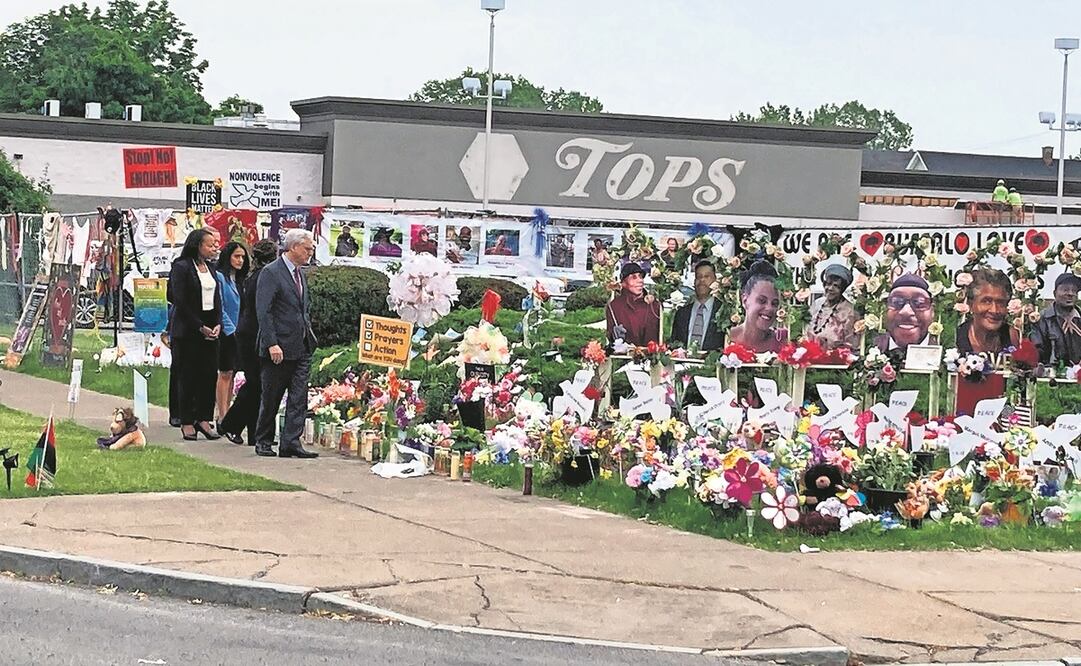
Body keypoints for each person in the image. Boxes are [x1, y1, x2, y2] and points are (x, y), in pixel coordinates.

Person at [254, 228, 319, 459]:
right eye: (307, 248)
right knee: (272, 395)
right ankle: (263, 439)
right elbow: (264, 311)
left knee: (299, 396)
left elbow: (302, 308)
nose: (310, 252)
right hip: (278, 346)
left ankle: (291, 442)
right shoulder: (271, 273)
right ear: (293, 247)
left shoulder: (300, 273)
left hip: (301, 345)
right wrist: (272, 342)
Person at [220, 239, 278, 446]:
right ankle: (231, 423)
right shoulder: (266, 276)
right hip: (253, 334)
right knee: (257, 383)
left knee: (258, 385)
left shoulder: (255, 276)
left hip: (247, 332)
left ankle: (255, 432)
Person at [167, 229, 222, 441]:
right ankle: (187, 420)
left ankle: (204, 419)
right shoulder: (181, 267)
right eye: (209, 245)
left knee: (208, 376)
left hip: (211, 326)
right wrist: (199, 326)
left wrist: (217, 323)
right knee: (187, 376)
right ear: (197, 245)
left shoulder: (211, 268)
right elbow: (180, 300)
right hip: (188, 328)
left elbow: (216, 298)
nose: (214, 248)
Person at [214, 241, 250, 435]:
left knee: (233, 373)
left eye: (243, 257)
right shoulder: (220, 277)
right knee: (225, 372)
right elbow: (219, 305)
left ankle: (226, 412)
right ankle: (222, 414)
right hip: (227, 332)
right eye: (236, 256)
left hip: (240, 332)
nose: (240, 260)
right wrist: (231, 330)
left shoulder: (241, 280)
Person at [729, 262, 788, 353]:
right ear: (745, 301)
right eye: (762, 301)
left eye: (775, 303)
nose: (769, 308)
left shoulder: (784, 339)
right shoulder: (728, 337)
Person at [956, 268, 1019, 354]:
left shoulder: (1012, 336)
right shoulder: (956, 337)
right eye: (986, 301)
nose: (994, 310)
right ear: (971, 304)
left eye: (1001, 303)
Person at [670, 260, 723, 352]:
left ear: (715, 280)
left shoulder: (723, 312)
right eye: (698, 277)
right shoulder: (682, 313)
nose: (702, 280)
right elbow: (674, 344)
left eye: (707, 276)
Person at [874, 274, 934, 355]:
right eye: (897, 302)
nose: (906, 311)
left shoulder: (950, 357)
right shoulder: (865, 351)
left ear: (933, 311)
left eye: (919, 302)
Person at [1031, 272, 1081, 366]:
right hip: (1052, 375)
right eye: (1065, 290)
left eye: (1074, 290)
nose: (1070, 293)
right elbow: (1037, 351)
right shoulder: (1042, 319)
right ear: (1055, 293)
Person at [605, 263, 662, 346]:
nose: (640, 280)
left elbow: (661, 336)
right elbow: (610, 338)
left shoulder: (655, 305)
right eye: (634, 277)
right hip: (624, 356)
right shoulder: (613, 306)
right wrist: (613, 335)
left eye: (641, 276)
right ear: (624, 283)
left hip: (651, 356)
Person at [807, 264, 860, 350]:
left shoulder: (850, 311)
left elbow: (851, 345)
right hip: (810, 355)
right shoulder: (817, 304)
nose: (830, 288)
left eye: (836, 286)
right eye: (828, 284)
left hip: (835, 359)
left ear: (842, 289)